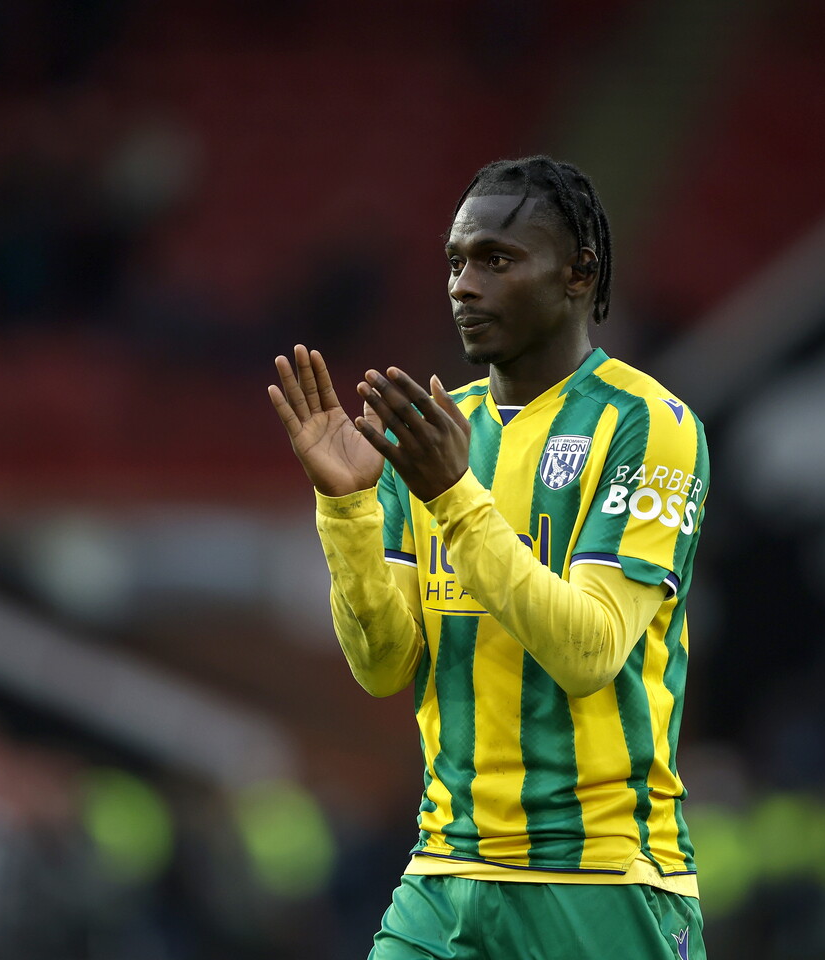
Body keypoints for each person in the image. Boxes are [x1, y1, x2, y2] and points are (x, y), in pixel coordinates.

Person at [268, 156, 709, 960]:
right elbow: (383, 664)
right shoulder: (436, 431)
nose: (464, 287)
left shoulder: (648, 424)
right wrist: (347, 509)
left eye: (496, 260)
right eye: (456, 263)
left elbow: (590, 651)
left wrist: (453, 495)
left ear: (579, 274)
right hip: (446, 876)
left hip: (600, 881)